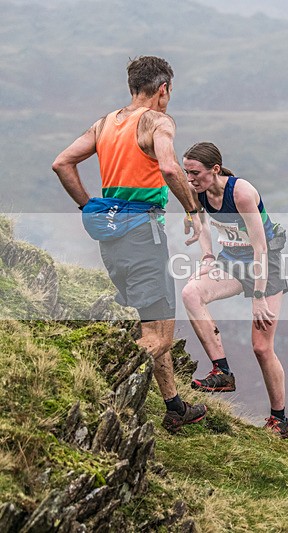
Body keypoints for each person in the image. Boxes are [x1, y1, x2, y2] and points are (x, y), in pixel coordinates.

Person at [52, 56, 207, 433]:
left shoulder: (105, 123)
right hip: (143, 236)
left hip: (112, 239)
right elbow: (170, 168)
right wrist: (193, 210)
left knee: (148, 323)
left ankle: (173, 407)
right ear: (163, 90)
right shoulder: (158, 121)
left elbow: (62, 163)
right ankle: (92, 382)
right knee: (161, 336)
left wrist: (89, 206)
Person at [180, 142, 288, 438]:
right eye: (186, 172)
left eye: (195, 173)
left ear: (215, 170)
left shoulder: (241, 193)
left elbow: (260, 247)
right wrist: (206, 257)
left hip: (266, 265)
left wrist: (258, 296)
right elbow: (199, 219)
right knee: (191, 293)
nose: (190, 179)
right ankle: (222, 372)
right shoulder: (196, 189)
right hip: (230, 260)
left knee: (261, 347)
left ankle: (279, 419)